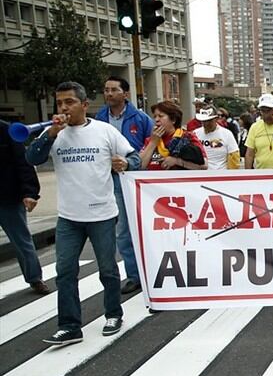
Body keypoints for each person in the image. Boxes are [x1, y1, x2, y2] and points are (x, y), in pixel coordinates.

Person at [26, 81, 142, 345]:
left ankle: (113, 314)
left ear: (84, 105)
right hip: (68, 217)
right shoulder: (54, 134)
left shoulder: (104, 131)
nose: (64, 108)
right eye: (60, 103)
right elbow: (32, 158)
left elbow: (134, 157)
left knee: (108, 270)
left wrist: (125, 163)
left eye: (70, 102)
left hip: (101, 213)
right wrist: (51, 134)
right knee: (65, 271)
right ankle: (69, 326)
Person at [95, 76, 153, 294]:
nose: (109, 94)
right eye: (106, 89)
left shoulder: (140, 118)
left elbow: (150, 148)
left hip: (132, 179)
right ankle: (133, 274)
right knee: (121, 231)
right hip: (106, 178)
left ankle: (145, 271)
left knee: (135, 227)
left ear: (125, 94)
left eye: (114, 90)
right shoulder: (100, 118)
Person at [0, 120, 48, 294]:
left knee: (22, 241)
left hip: (8, 198)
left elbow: (24, 162)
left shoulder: (7, 131)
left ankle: (35, 278)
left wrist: (30, 192)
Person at [140, 101, 207, 171]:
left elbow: (204, 165)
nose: (156, 120)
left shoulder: (187, 137)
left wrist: (177, 161)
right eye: (155, 117)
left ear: (173, 120)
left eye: (160, 116)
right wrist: (153, 143)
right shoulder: (151, 139)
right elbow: (139, 166)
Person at [194, 104, 241, 170]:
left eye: (209, 121)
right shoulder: (195, 134)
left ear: (216, 119)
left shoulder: (227, 134)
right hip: (201, 175)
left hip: (220, 176)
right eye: (203, 121)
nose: (206, 124)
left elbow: (234, 156)